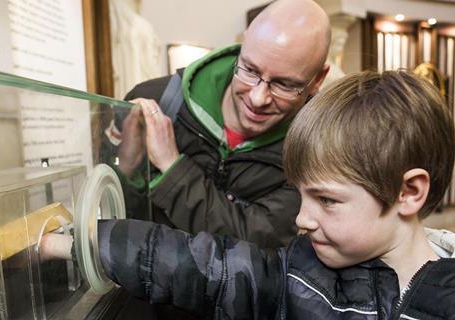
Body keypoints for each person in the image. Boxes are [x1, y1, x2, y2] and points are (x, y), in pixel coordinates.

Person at [43, 70, 455, 318]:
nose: (301, 219)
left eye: (327, 200)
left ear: (409, 192)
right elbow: (197, 265)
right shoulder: (301, 273)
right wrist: (71, 242)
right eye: (302, 196)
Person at [114, 0, 331, 248]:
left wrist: (172, 167)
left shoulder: (315, 152)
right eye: (250, 70)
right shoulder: (157, 98)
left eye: (284, 84)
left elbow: (257, 242)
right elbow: (116, 215)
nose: (258, 98)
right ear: (244, 43)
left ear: (317, 80)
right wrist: (128, 172)